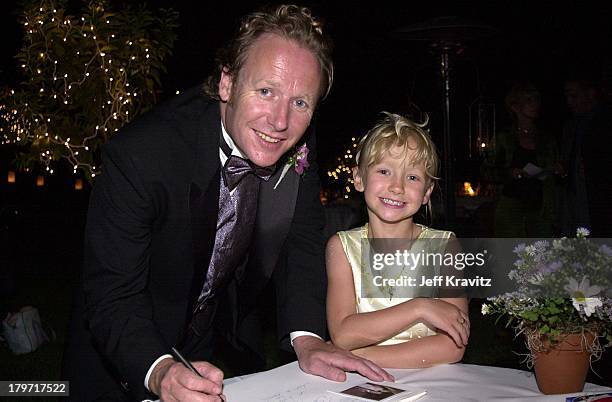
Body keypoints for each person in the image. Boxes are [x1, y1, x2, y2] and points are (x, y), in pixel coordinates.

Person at [62, 5, 391, 401]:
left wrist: (308, 339)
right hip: (121, 356)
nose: (280, 121)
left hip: (203, 346)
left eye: (301, 102)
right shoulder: (142, 156)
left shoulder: (296, 141)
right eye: (266, 91)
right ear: (227, 84)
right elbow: (112, 295)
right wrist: (159, 369)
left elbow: (301, 240)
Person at [325, 113, 469, 368]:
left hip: (431, 382)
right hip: (361, 386)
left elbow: (453, 345)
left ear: (427, 192)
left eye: (412, 177)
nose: (397, 187)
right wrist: (419, 307)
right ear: (359, 178)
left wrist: (357, 357)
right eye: (384, 171)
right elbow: (343, 333)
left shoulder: (446, 248)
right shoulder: (342, 248)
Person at [482, 82, 559, 237]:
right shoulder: (504, 139)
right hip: (512, 210)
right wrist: (510, 173)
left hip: (541, 209)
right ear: (515, 106)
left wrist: (557, 170)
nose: (535, 105)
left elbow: (556, 167)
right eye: (528, 100)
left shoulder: (547, 139)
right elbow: (486, 171)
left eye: (536, 100)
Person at [560, 77, 612, 237]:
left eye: (574, 96)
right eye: (567, 96)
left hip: (600, 201)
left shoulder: (604, 122)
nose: (570, 102)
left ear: (590, 94)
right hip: (576, 198)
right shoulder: (571, 126)